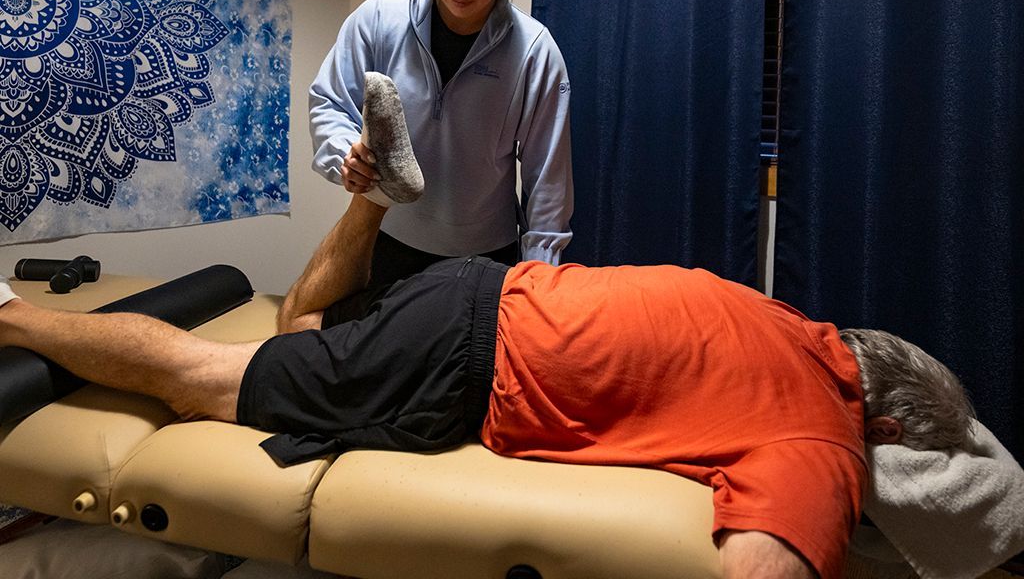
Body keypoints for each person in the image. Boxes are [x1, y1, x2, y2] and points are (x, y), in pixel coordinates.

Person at [0, 82, 974, 579]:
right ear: (883, 425)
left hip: (489, 290)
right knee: (205, 379)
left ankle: (374, 199)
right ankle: (14, 313)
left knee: (295, 327)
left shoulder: (793, 322)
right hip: (463, 357)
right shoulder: (824, 436)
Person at [309, 0, 573, 290]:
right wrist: (345, 154)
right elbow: (330, 101)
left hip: (484, 259)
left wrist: (541, 281)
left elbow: (548, 181)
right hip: (385, 240)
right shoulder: (378, 18)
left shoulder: (536, 52)